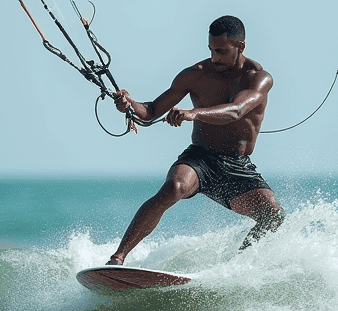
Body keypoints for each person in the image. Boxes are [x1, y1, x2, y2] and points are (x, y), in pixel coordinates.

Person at [106, 15, 284, 265]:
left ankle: (235, 269)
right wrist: (130, 105)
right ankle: (117, 258)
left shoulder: (258, 78)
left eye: (221, 51)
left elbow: (236, 110)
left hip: (237, 166)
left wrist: (193, 113)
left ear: (240, 46)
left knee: (273, 216)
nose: (214, 58)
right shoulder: (196, 74)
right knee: (173, 188)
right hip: (200, 158)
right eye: (211, 50)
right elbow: (152, 111)